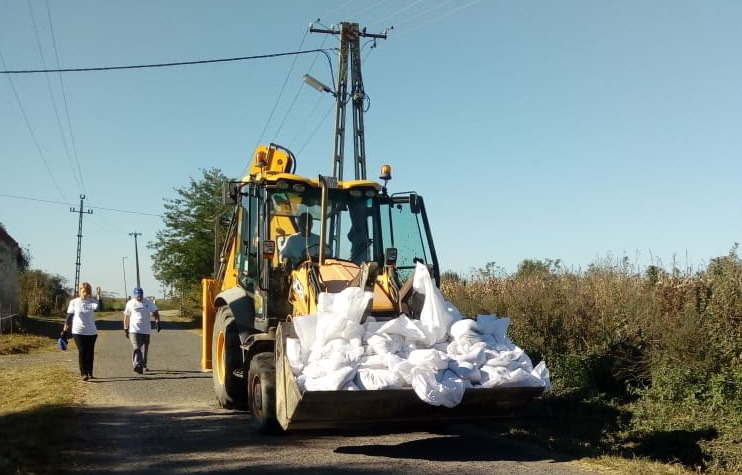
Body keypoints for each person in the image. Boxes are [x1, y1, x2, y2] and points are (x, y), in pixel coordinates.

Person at [63, 282, 102, 381]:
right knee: (82, 351)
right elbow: (69, 318)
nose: (85, 294)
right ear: (80, 291)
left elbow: (98, 308)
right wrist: (64, 331)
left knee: (90, 352)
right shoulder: (74, 302)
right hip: (78, 331)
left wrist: (98, 295)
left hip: (91, 332)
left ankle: (90, 372)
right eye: (83, 291)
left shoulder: (92, 302)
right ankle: (83, 373)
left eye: (87, 292)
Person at [123, 287, 161, 374]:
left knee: (145, 348)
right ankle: (137, 365)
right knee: (136, 347)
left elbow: (155, 312)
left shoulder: (147, 302)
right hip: (134, 329)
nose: (139, 298)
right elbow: (126, 316)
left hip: (146, 330)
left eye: (140, 296)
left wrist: (158, 323)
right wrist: (125, 328)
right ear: (134, 295)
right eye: (137, 296)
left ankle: (143, 364)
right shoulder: (130, 303)